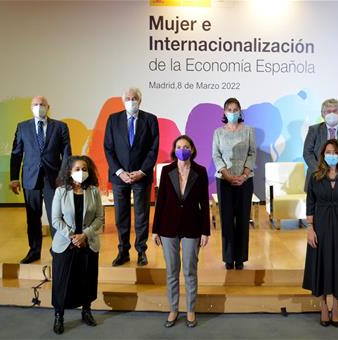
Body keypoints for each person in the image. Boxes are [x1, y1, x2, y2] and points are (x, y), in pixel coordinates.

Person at [152, 135, 210, 328]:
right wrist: (155, 230)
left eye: (186, 146)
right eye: (179, 146)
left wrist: (205, 231)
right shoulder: (167, 170)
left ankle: (190, 309)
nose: (182, 149)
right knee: (172, 271)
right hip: (168, 227)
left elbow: (204, 204)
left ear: (192, 149)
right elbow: (160, 202)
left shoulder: (200, 172)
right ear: (174, 149)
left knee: (189, 270)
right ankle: (174, 308)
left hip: (192, 227)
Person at [10, 96, 72, 264]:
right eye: (35, 104)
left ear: (48, 107)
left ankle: (57, 249)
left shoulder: (60, 127)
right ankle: (34, 250)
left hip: (54, 180)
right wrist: (14, 178)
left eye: (42, 104)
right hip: (31, 179)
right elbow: (16, 154)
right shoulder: (23, 127)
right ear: (31, 108)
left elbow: (67, 155)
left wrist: (64, 177)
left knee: (56, 216)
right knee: (32, 216)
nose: (39, 107)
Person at [303, 139, 338, 328]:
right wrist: (310, 229)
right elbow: (310, 203)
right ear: (323, 155)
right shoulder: (315, 176)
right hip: (321, 225)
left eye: (334, 152)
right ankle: (323, 306)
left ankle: (336, 307)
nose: (331, 155)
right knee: (322, 264)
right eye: (328, 152)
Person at [104, 87, 159, 267]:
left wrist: (142, 171)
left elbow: (153, 149)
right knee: (121, 215)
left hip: (141, 176)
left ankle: (141, 251)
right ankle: (123, 251)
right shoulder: (113, 120)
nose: (131, 101)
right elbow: (109, 149)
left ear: (140, 100)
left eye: (134, 98)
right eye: (127, 98)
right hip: (120, 177)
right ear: (123, 100)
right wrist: (120, 172)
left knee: (142, 215)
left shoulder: (150, 120)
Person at [51, 155, 103, 334]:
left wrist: (85, 236)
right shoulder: (60, 192)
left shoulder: (94, 191)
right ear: (69, 172)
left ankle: (86, 311)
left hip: (88, 243)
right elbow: (56, 220)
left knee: (87, 279)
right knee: (61, 281)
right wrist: (74, 236)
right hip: (66, 243)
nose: (82, 172)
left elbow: (99, 218)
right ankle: (59, 315)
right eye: (77, 169)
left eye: (85, 169)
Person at [212, 98, 256, 270]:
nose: (232, 112)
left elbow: (252, 153)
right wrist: (228, 176)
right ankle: (229, 258)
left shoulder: (249, 131)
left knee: (243, 219)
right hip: (224, 181)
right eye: (229, 109)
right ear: (224, 112)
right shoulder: (218, 133)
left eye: (235, 109)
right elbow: (216, 155)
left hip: (245, 180)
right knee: (227, 220)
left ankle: (240, 259)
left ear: (240, 111)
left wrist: (244, 175)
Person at [303, 98, 338, 191]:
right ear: (323, 114)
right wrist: (320, 171)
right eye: (328, 111)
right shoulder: (314, 130)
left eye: (335, 111)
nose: (332, 114)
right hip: (317, 176)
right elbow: (307, 153)